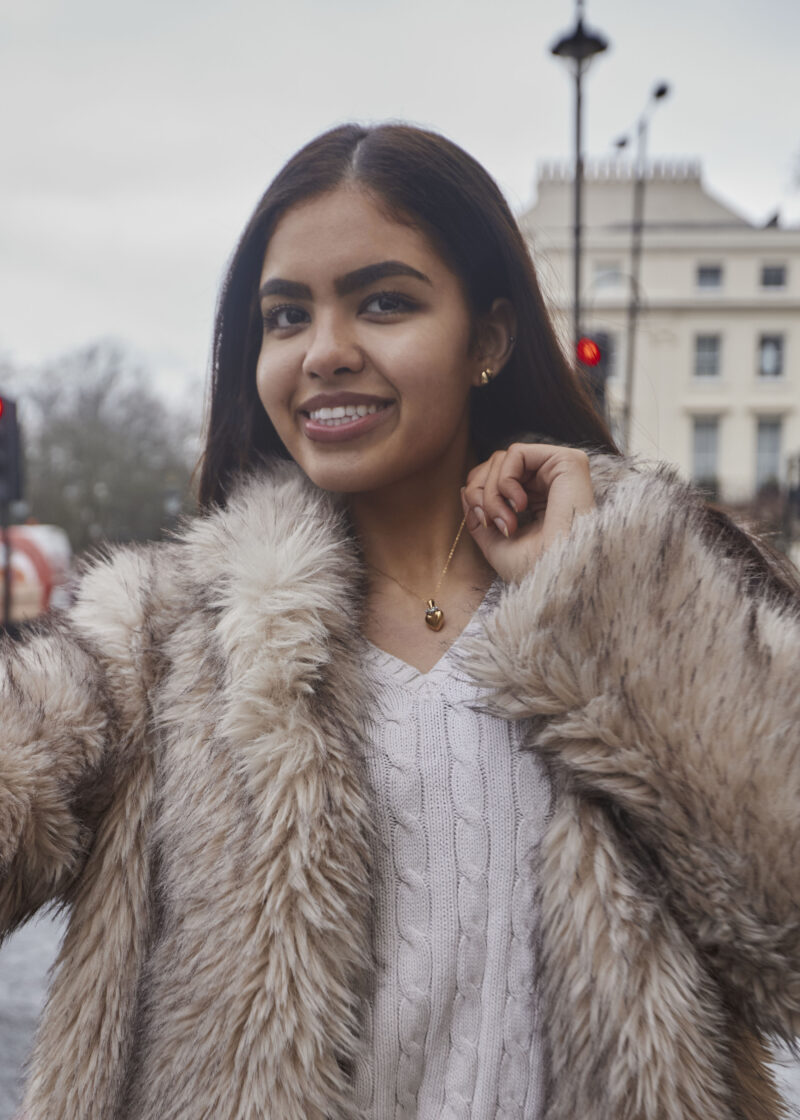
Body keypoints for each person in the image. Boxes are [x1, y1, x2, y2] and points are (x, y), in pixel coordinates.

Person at [2, 123, 798, 1120]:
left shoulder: (652, 601)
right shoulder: (165, 633)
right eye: (285, 316)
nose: (325, 352)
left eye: (383, 302)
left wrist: (600, 608)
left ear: (488, 339)